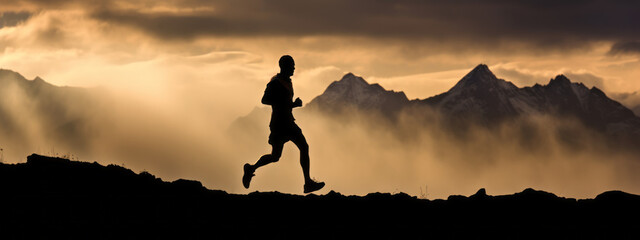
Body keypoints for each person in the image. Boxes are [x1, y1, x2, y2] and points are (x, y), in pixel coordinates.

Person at [242, 55, 325, 193]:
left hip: (287, 122)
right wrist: (289, 103)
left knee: (291, 151)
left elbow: (283, 104)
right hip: (280, 124)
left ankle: (252, 168)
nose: (294, 68)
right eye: (292, 65)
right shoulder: (275, 82)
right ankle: (307, 183)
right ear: (285, 67)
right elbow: (265, 100)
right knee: (284, 154)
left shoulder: (287, 82)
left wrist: (293, 105)